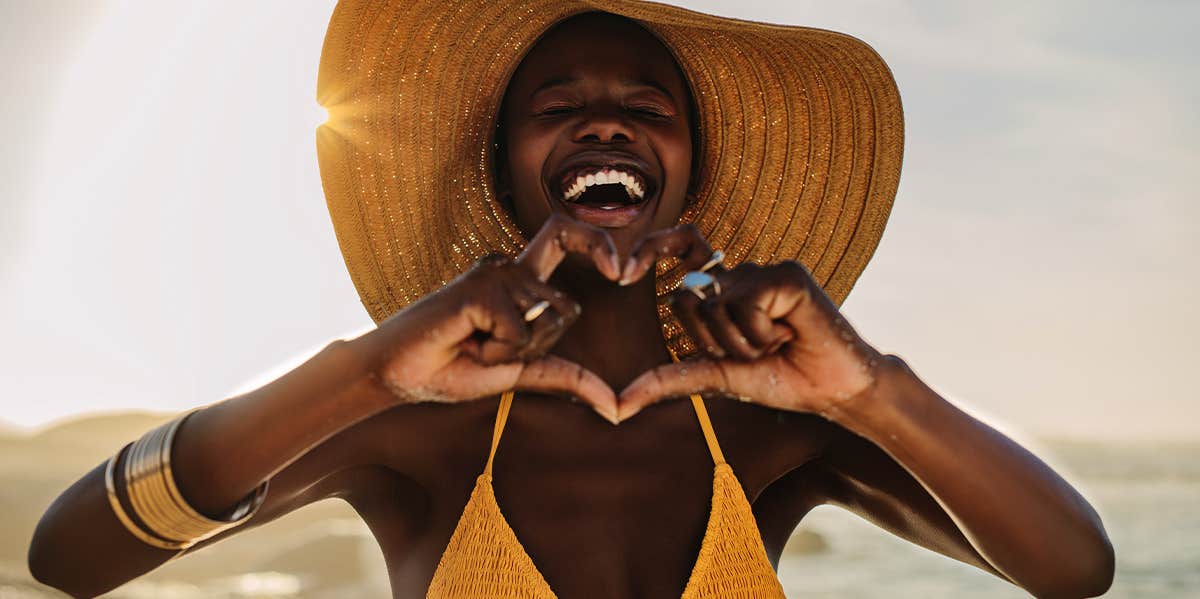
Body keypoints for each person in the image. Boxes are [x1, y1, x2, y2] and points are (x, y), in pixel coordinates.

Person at [29, 2, 1115, 598]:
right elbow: (70, 556)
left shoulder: (778, 426)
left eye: (647, 106)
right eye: (562, 107)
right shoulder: (412, 417)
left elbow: (1076, 569)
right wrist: (361, 371)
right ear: (503, 168)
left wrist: (872, 390)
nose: (605, 126)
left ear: (692, 162)